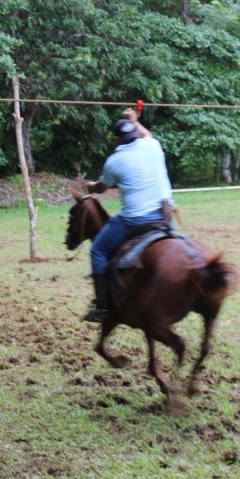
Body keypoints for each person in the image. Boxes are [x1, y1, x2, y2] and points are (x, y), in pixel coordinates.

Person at [82, 108, 173, 322]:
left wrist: (90, 186)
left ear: (117, 139)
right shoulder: (152, 145)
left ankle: (103, 306)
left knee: (98, 250)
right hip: (163, 215)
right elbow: (148, 135)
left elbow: (102, 188)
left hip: (136, 219)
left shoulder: (115, 160)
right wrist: (134, 120)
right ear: (135, 134)